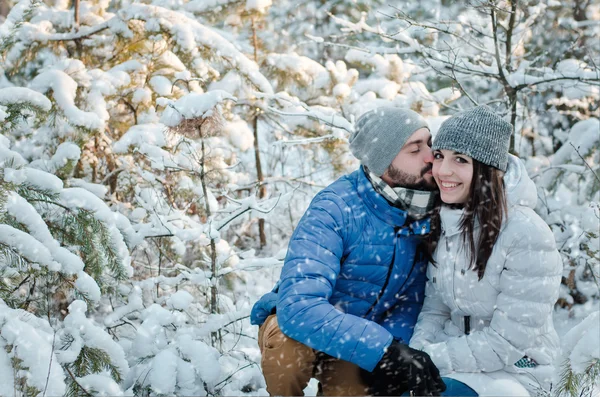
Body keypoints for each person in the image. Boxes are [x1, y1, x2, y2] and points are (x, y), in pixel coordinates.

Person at [250, 107, 446, 396]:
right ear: (383, 162)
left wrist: (396, 349)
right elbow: (300, 307)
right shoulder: (335, 208)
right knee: (287, 352)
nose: (430, 156)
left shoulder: (424, 210)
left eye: (429, 143)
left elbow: (410, 300)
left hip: (358, 339)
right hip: (304, 328)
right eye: (415, 149)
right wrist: (383, 349)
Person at [409, 106, 562, 396]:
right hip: (456, 360)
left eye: (461, 160)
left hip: (516, 371)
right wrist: (416, 355)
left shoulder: (526, 233)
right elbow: (435, 308)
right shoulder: (447, 218)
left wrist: (429, 360)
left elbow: (507, 342)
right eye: (439, 156)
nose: (443, 170)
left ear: (486, 170)